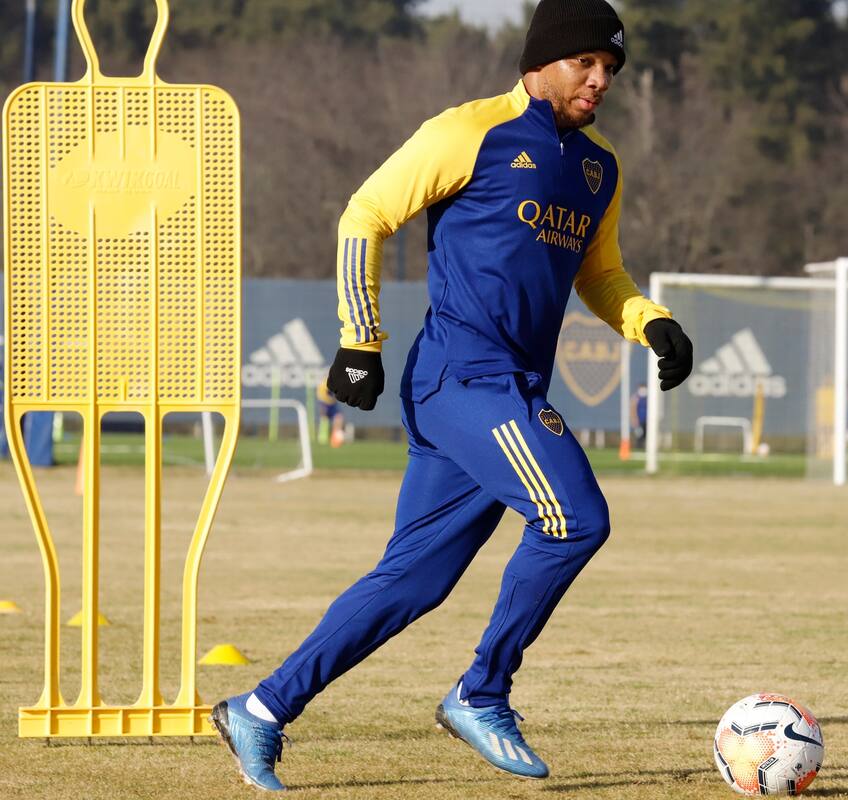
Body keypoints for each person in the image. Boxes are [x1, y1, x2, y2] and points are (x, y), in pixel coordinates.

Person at [210, 0, 694, 790]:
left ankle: (259, 710)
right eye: (585, 64)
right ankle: (482, 691)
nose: (599, 80)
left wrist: (650, 322)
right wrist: (359, 340)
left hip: (504, 388)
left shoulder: (601, 165)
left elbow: (599, 274)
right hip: (462, 376)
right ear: (540, 62)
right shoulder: (467, 131)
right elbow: (365, 214)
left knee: (414, 581)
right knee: (574, 519)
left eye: (610, 69)